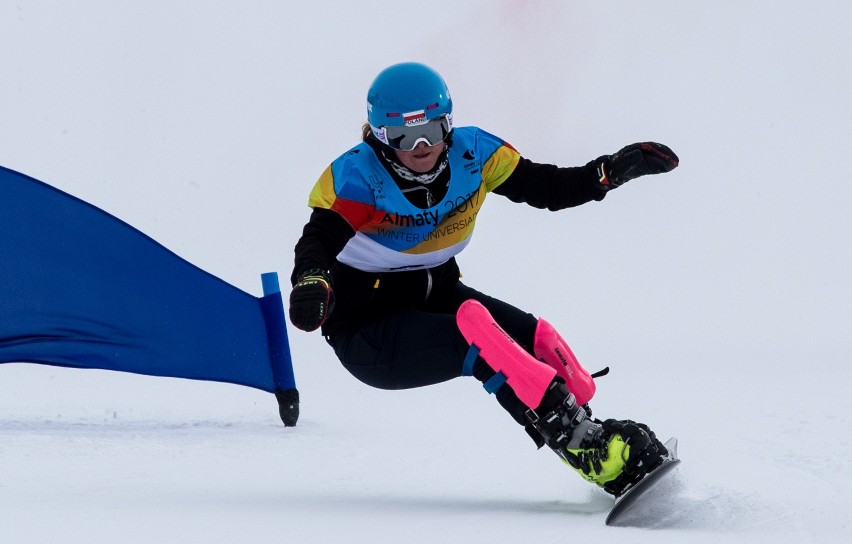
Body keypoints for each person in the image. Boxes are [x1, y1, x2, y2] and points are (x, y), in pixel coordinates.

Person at [288, 62, 679, 497]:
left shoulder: (474, 154)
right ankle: (584, 452)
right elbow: (317, 241)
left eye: (432, 132)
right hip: (369, 329)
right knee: (482, 343)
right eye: (402, 137)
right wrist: (311, 281)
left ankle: (591, 433)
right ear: (378, 137)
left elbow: (544, 187)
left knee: (533, 338)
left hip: (436, 291)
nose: (420, 149)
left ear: (448, 126)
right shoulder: (359, 178)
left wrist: (605, 173)